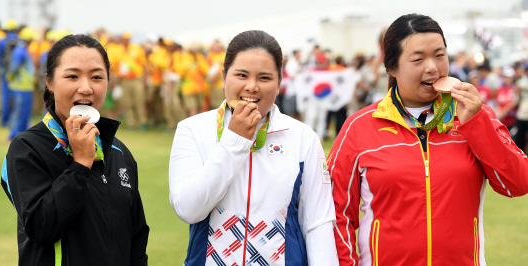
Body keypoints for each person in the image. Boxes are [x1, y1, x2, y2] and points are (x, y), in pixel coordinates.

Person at [328, 14, 528, 266]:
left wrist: (476, 125)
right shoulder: (359, 126)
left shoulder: (475, 114)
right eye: (418, 59)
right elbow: (336, 214)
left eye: (440, 55)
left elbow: (517, 183)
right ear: (391, 67)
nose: (433, 67)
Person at [169, 30, 338, 266]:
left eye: (265, 78)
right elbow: (188, 209)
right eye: (241, 75)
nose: (251, 86)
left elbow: (318, 223)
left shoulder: (302, 138)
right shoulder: (193, 129)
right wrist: (234, 141)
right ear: (224, 76)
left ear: (279, 83)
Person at [0, 34, 149, 266]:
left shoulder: (119, 152)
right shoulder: (27, 147)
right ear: (49, 81)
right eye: (72, 76)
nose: (86, 88)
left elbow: (137, 240)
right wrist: (80, 164)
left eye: (97, 77)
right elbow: (41, 229)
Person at [6, 27, 37, 141]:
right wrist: (9, 78)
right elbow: (13, 68)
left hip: (26, 87)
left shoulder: (24, 50)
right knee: (18, 112)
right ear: (28, 39)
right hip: (19, 87)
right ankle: (13, 136)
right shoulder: (19, 51)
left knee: (25, 112)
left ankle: (23, 136)